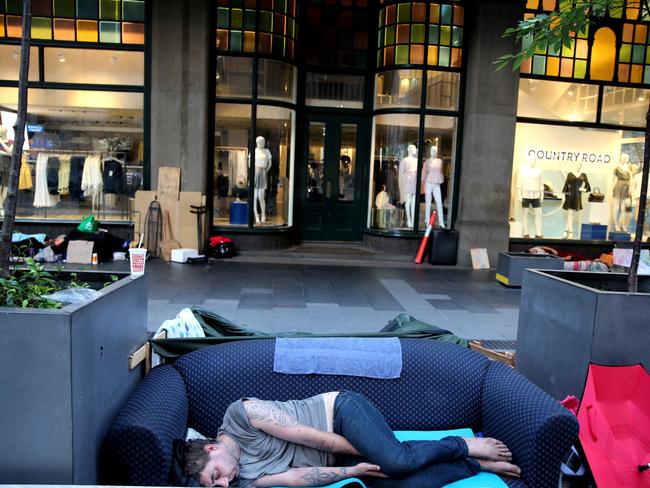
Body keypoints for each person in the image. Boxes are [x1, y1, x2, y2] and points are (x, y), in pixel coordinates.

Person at [182, 391, 521, 487]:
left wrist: (379, 451)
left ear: (212, 448)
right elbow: (295, 477)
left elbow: (314, 438)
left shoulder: (242, 414)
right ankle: (473, 464)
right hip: (335, 459)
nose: (224, 484)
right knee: (394, 483)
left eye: (216, 476)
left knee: (396, 461)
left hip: (340, 415)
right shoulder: (243, 484)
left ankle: (463, 444)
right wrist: (354, 471)